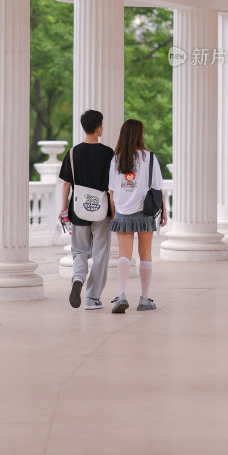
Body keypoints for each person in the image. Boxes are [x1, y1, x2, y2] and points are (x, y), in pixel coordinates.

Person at [108, 118, 167, 313]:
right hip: (145, 211)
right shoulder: (149, 157)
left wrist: (114, 213)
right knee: (146, 255)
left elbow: (112, 191)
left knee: (124, 256)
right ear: (139, 135)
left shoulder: (116, 158)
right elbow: (158, 188)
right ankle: (143, 299)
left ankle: (122, 295)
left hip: (123, 211)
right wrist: (164, 212)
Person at [59, 110, 114, 310]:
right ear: (99, 128)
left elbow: (66, 185)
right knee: (101, 252)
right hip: (102, 211)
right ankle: (92, 298)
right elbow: (113, 187)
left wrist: (64, 208)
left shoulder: (73, 153)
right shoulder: (108, 153)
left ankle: (78, 279)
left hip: (78, 209)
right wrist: (114, 212)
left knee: (80, 251)